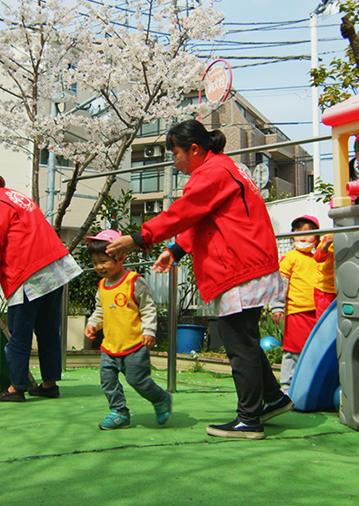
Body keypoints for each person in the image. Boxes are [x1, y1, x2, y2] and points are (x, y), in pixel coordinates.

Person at [106, 119, 291, 440]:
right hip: (249, 258)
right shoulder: (225, 168)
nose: (174, 161)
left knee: (238, 344)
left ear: (194, 149)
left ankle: (249, 419)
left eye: (176, 154)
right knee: (244, 338)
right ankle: (273, 398)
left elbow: (184, 211)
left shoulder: (209, 174)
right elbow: (208, 218)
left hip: (238, 264)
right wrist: (176, 249)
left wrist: (138, 237)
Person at [0, 170, 82, 402]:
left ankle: (16, 388)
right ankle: (49, 384)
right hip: (54, 266)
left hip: (27, 272)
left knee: (19, 334)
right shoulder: (10, 194)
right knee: (48, 331)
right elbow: (16, 235)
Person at [84, 230, 172, 430]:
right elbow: (101, 309)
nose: (99, 267)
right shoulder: (102, 285)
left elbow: (148, 307)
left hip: (134, 344)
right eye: (95, 262)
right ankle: (119, 412)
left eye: (104, 261)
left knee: (137, 380)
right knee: (107, 381)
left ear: (121, 257)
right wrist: (92, 324)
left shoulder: (133, 281)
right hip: (110, 346)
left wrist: (149, 331)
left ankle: (160, 399)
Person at [272, 216, 320, 392]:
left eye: (308, 234)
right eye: (298, 234)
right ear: (292, 237)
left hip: (317, 313)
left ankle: (309, 386)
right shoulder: (290, 258)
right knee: (293, 351)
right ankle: (287, 387)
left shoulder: (319, 258)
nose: (302, 238)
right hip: (297, 312)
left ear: (317, 237)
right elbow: (280, 283)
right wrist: (277, 306)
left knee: (313, 351)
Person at [312, 233, 336, 319]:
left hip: (343, 288)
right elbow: (317, 257)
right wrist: (326, 244)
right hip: (326, 289)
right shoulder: (329, 236)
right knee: (325, 320)